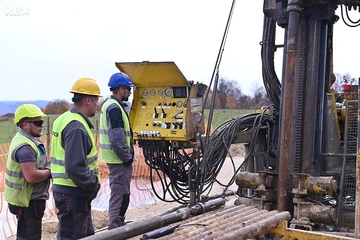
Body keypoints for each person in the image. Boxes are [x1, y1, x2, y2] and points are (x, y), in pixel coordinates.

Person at [50, 77, 102, 239]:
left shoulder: (64, 119)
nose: (97, 104)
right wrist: (93, 184)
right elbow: (75, 167)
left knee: (86, 234)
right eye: (96, 100)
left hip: (68, 192)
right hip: (74, 194)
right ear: (87, 100)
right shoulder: (77, 127)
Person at [4, 104, 51, 240]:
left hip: (25, 199)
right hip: (29, 201)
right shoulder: (25, 147)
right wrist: (49, 171)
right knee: (30, 237)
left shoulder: (28, 139)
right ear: (25, 124)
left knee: (24, 235)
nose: (42, 125)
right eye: (38, 122)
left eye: (41, 121)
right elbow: (31, 176)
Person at [99, 72, 135, 230]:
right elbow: (116, 137)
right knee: (119, 195)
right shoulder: (114, 108)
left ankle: (118, 223)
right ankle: (114, 228)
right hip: (118, 159)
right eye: (128, 89)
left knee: (122, 194)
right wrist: (126, 157)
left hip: (117, 158)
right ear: (121, 89)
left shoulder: (111, 105)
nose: (130, 92)